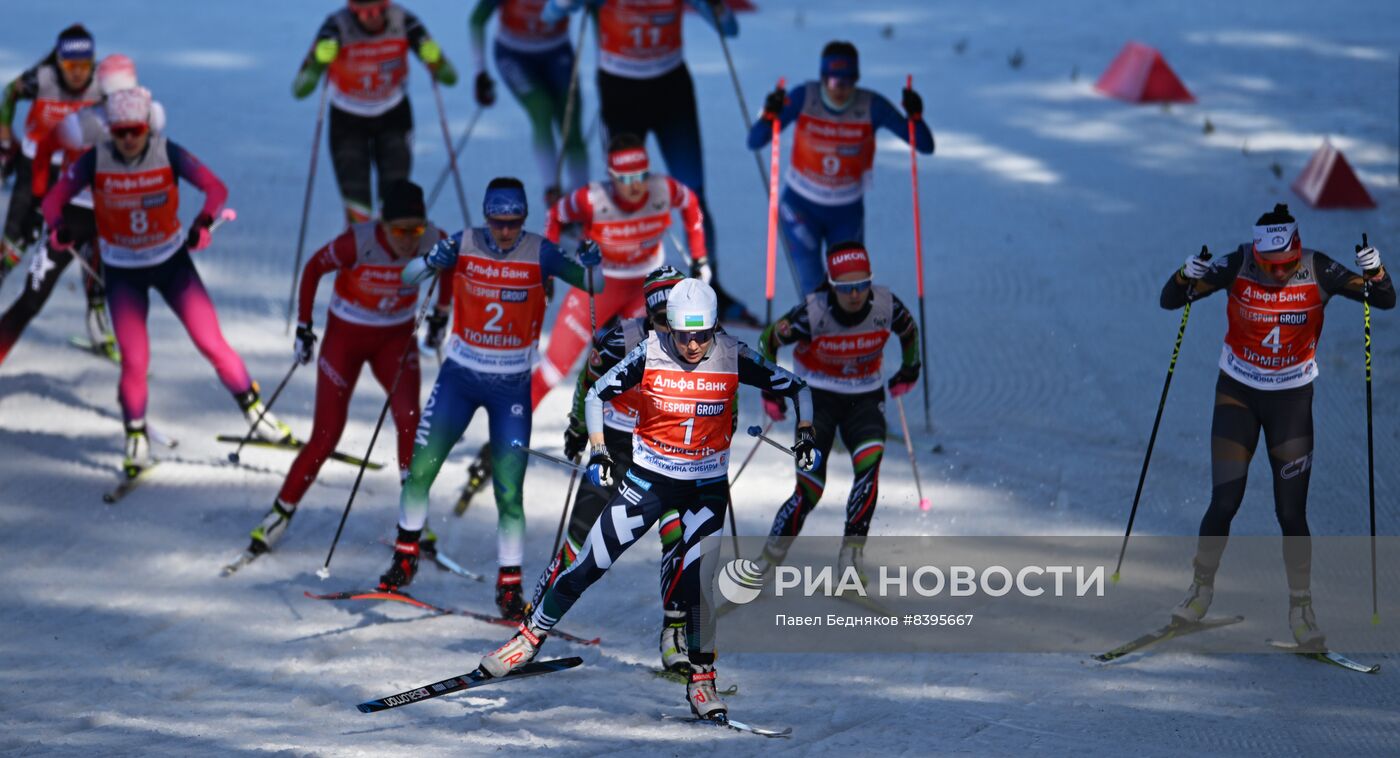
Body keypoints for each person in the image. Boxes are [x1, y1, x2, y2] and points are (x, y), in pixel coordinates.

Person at [479, 278, 816, 721]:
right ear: (669, 328)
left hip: (705, 489)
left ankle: (702, 681)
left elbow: (799, 388)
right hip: (648, 482)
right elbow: (598, 393)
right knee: (588, 564)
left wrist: (806, 432)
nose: (693, 345)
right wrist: (598, 447)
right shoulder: (649, 352)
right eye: (683, 335)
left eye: (702, 335)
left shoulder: (732, 353)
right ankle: (527, 640)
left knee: (698, 583)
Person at [1161, 204, 1393, 648]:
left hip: (1291, 401)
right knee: (1225, 500)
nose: (1279, 273)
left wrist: (1377, 270)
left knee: (1291, 513)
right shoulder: (1238, 263)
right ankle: (1200, 591)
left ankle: (1301, 609)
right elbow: (1171, 300)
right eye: (1270, 266)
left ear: (1297, 252)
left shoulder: (1318, 268)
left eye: (1285, 265)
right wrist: (1184, 275)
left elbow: (1383, 299)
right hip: (1238, 394)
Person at [41, 87, 292, 478]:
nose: (127, 139)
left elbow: (215, 188)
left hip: (171, 263)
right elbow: (53, 200)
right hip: (122, 271)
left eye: (135, 130)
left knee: (212, 342)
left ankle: (257, 414)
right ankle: (135, 436)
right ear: (110, 130)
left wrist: (204, 222)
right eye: (120, 131)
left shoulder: (166, 151)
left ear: (147, 126)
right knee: (135, 360)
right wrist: (59, 227)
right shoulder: (96, 159)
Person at [454, 134, 715, 508]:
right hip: (600, 284)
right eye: (623, 180)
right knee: (554, 366)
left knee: (650, 372)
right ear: (610, 179)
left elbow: (691, 204)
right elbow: (558, 213)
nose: (634, 186)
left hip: (648, 290)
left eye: (640, 175)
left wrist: (700, 258)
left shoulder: (663, 189)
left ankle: (645, 455)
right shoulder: (593, 198)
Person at [381, 177, 601, 620]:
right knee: (420, 469)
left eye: (514, 223)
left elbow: (592, 285)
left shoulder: (539, 251)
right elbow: (406, 278)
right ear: (486, 218)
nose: (505, 233)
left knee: (508, 492)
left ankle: (509, 586)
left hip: (511, 386)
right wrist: (429, 261)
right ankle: (405, 556)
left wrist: (593, 262)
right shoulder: (463, 242)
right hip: (461, 375)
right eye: (498, 223)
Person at [240, 181, 448, 558]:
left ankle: (414, 517)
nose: (407, 240)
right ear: (383, 226)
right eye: (399, 230)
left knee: (409, 419)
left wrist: (441, 314)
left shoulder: (435, 240)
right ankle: (279, 513)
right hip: (345, 341)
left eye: (415, 229)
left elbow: (453, 267)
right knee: (326, 434)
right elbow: (313, 268)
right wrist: (304, 327)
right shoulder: (359, 241)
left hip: (396, 341)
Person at [539, 0, 755, 323]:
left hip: (671, 90)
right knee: (623, 199)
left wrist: (718, 8)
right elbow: (549, 15)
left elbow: (730, 29)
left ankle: (712, 289)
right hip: (621, 91)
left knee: (693, 191)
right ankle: (619, 294)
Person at [528, 264, 692, 671]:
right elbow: (588, 382)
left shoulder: (700, 342)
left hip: (666, 449)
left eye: (672, 323)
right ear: (647, 316)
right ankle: (531, 627)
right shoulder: (621, 340)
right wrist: (579, 427)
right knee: (579, 538)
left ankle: (675, 635)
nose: (666, 335)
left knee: (678, 534)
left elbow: (723, 387)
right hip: (618, 441)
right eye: (658, 323)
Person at [755, 242, 920, 576]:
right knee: (810, 489)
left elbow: (909, 331)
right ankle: (766, 562)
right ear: (832, 285)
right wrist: (771, 392)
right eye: (846, 288)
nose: (855, 295)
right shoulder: (813, 313)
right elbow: (768, 340)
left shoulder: (886, 306)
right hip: (817, 399)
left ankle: (851, 558)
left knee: (869, 468)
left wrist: (909, 369)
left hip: (865, 397)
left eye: (862, 286)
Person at [0, 54, 168, 366]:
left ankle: (119, 350)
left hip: (114, 217)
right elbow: (45, 148)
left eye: (127, 93)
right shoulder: (83, 123)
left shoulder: (151, 114)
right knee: (32, 298)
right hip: (73, 216)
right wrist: (41, 198)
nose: (122, 106)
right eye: (113, 96)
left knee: (120, 289)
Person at [748, 41, 934, 295]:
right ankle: (812, 334)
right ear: (823, 78)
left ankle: (847, 335)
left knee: (850, 290)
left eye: (847, 83)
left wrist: (915, 116)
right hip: (800, 209)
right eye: (835, 82)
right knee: (813, 294)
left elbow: (923, 145)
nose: (841, 90)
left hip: (846, 212)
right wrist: (769, 114)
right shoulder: (804, 97)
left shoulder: (872, 106)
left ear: (856, 80)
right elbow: (755, 141)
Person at [293, 0, 458, 224]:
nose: (370, 18)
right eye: (361, 12)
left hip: (393, 116)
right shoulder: (336, 27)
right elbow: (300, 89)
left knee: (394, 206)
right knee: (357, 209)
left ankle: (390, 256)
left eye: (377, 10)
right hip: (348, 120)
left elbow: (450, 78)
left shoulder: (405, 22)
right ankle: (359, 255)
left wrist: (436, 60)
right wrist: (317, 62)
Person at [0, 25, 100, 285]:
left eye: (84, 65)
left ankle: (97, 306)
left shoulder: (103, 85)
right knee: (16, 240)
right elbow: (10, 92)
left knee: (89, 242)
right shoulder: (42, 79)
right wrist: (5, 138)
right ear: (58, 63)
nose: (77, 74)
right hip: (34, 166)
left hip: (76, 174)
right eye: (69, 67)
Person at [469, 0, 588, 204]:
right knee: (541, 109)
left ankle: (581, 198)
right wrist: (480, 70)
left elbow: (599, 8)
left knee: (571, 124)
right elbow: (476, 20)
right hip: (514, 55)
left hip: (557, 52)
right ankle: (552, 191)